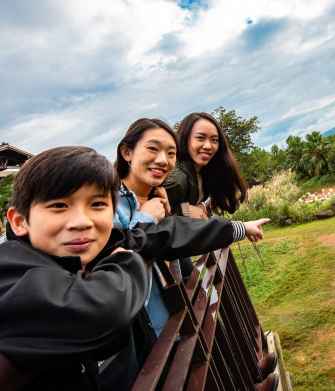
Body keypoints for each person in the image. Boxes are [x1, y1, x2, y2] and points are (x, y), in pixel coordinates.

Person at [0, 146, 149, 390]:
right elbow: (100, 318)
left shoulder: (71, 254)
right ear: (19, 221)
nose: (81, 221)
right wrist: (125, 262)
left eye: (98, 204)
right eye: (59, 205)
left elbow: (157, 236)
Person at [108, 118, 276, 390]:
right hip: (143, 328)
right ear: (126, 152)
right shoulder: (109, 204)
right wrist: (149, 218)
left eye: (170, 153)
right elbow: (131, 249)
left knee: (200, 353)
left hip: (169, 303)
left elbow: (175, 232)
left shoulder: (156, 194)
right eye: (152, 149)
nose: (162, 160)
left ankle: (245, 379)